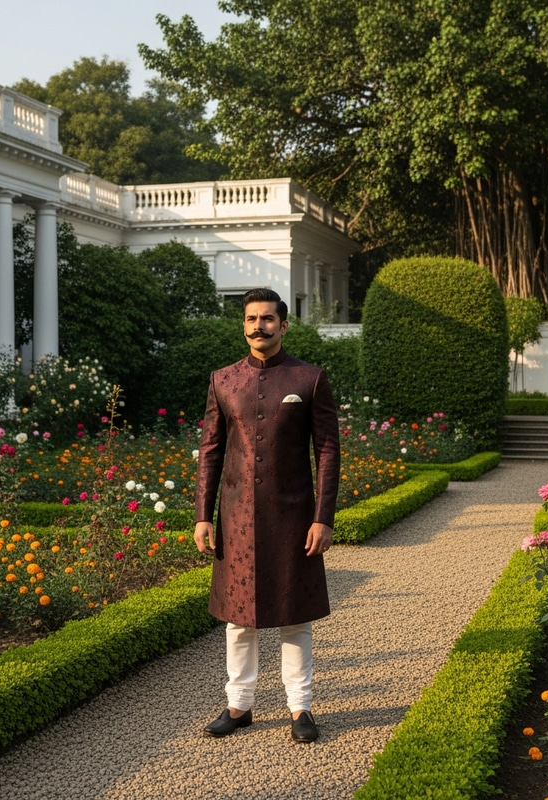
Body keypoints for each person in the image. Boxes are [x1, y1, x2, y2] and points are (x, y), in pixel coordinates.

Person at [194, 287, 340, 743]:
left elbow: (329, 452)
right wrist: (203, 515)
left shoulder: (309, 379)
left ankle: (301, 709)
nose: (260, 325)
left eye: (268, 319)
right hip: (236, 518)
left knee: (295, 616)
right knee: (239, 619)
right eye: (252, 319)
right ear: (243, 325)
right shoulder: (222, 380)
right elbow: (210, 451)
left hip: (295, 516)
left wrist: (323, 517)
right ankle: (239, 706)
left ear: (284, 325)